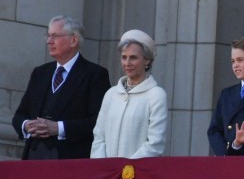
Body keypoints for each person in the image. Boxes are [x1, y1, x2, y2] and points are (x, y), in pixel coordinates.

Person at [12, 16, 111, 160]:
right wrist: (27, 125)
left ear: (74, 40)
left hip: (69, 161)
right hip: (33, 157)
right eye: (48, 35)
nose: (49, 41)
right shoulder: (40, 73)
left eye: (55, 36)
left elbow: (99, 122)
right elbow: (20, 115)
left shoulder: (95, 75)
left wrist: (59, 128)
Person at [91, 30, 168, 158]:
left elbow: (155, 143)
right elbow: (99, 137)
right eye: (124, 57)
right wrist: (102, 166)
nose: (127, 63)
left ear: (147, 60)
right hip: (108, 173)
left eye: (133, 57)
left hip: (138, 173)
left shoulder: (156, 95)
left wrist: (127, 168)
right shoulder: (111, 94)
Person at [207, 37, 244, 155]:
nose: (235, 65)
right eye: (233, 61)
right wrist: (225, 154)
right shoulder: (226, 94)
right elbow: (214, 130)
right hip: (229, 158)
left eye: (240, 60)